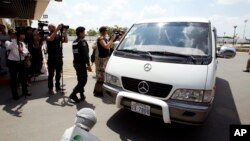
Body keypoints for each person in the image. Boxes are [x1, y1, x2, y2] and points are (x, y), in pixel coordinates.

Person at [6, 30, 31, 100]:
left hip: (21, 62)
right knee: (13, 79)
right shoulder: (8, 42)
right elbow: (9, 47)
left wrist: (23, 51)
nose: (13, 35)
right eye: (12, 34)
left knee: (24, 78)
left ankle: (25, 92)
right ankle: (15, 95)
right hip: (13, 63)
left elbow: (26, 52)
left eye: (15, 34)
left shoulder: (21, 43)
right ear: (10, 35)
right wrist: (14, 39)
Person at [69, 26, 92, 103]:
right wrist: (88, 65)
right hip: (81, 64)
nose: (85, 34)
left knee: (80, 80)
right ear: (80, 33)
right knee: (83, 81)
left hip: (76, 63)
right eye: (84, 32)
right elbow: (85, 55)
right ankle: (73, 94)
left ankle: (82, 95)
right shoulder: (82, 42)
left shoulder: (74, 41)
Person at [93, 26, 116, 96]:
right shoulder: (100, 38)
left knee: (104, 75)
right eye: (106, 30)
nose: (107, 32)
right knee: (101, 76)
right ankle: (97, 92)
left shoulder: (104, 38)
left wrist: (111, 40)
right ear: (103, 31)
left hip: (105, 58)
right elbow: (106, 46)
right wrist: (112, 39)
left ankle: (100, 90)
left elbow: (109, 47)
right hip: (102, 59)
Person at [46, 24, 68, 94]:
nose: (53, 28)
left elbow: (66, 41)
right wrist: (57, 30)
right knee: (51, 74)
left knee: (58, 73)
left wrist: (65, 33)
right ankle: (50, 88)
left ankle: (57, 87)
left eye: (54, 27)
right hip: (51, 58)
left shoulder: (58, 35)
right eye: (51, 27)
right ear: (49, 28)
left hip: (59, 57)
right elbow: (50, 39)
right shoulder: (47, 35)